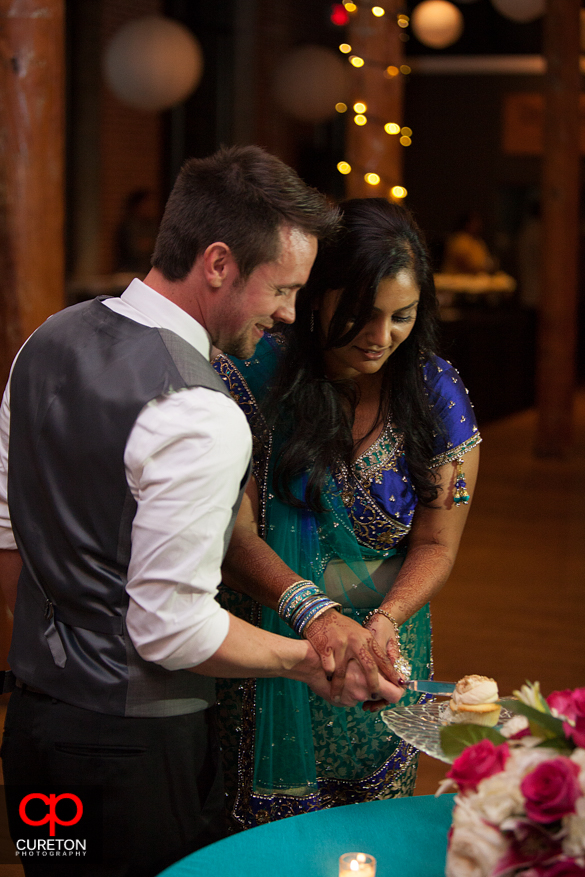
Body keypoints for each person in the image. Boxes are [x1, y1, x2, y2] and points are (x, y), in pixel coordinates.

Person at [0, 148, 402, 877]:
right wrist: (308, 659)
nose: (287, 314)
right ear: (217, 263)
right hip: (133, 761)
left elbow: (7, 536)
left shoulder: (45, 340)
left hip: (33, 735)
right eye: (281, 288)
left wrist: (57, 663)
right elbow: (171, 627)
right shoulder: (200, 411)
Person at [214, 198, 481, 828]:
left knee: (369, 842)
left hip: (386, 659)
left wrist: (387, 619)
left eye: (402, 317)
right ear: (316, 296)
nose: (380, 336)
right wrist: (318, 615)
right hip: (272, 653)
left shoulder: (435, 395)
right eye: (361, 313)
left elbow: (438, 545)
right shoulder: (257, 373)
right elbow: (231, 533)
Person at [442, 209, 495, 275]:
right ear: (467, 224)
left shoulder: (479, 241)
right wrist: (480, 269)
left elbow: (486, 261)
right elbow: (462, 263)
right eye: (475, 222)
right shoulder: (459, 239)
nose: (478, 225)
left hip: (476, 280)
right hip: (457, 281)